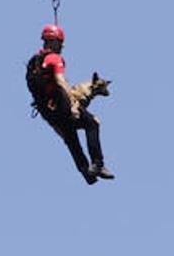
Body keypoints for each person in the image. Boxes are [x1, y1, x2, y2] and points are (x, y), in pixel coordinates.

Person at [27, 24, 112, 184]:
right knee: (93, 123)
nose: (62, 47)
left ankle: (86, 173)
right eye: (60, 42)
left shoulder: (35, 62)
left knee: (71, 139)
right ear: (54, 42)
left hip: (49, 113)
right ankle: (97, 164)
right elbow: (60, 81)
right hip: (62, 106)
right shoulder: (55, 59)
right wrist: (73, 104)